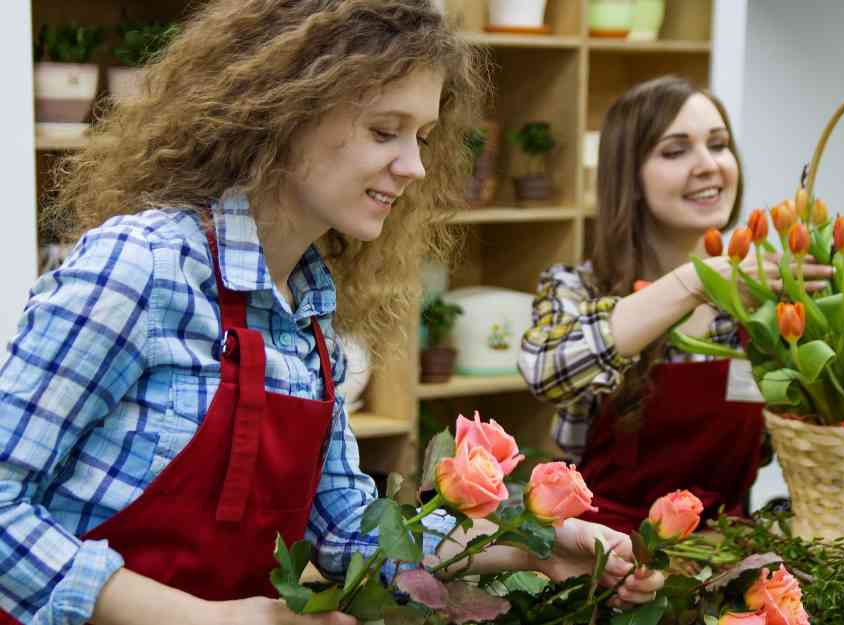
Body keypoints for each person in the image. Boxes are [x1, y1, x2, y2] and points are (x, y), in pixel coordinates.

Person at [0, 2, 661, 624]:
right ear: (285, 111)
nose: (414, 167)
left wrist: (536, 544)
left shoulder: (307, 322)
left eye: (424, 136)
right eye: (385, 131)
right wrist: (201, 617)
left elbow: (348, 527)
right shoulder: (141, 267)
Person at [518, 75, 844, 536]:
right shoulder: (576, 288)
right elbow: (547, 370)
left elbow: (816, 456)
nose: (708, 165)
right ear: (630, 176)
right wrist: (697, 283)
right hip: (599, 558)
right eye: (675, 150)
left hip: (724, 559)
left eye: (718, 145)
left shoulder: (774, 304)